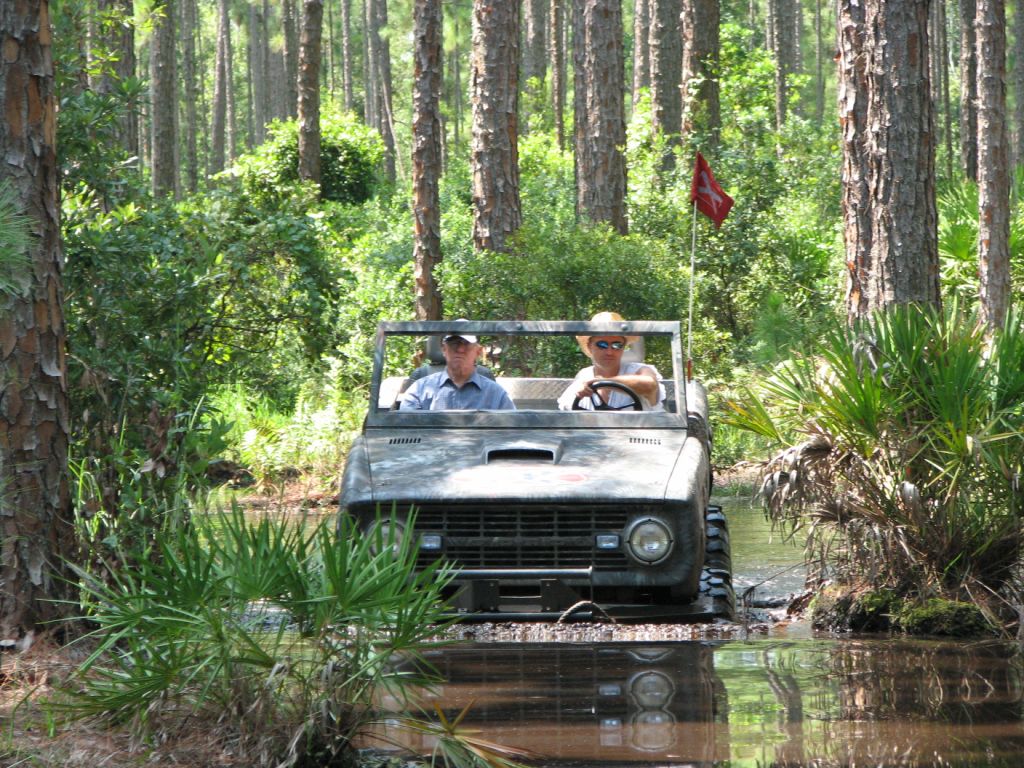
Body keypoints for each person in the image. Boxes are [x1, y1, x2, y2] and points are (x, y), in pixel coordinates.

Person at [557, 311, 665, 411]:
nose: (609, 352)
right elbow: (567, 412)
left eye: (616, 345)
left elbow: (649, 385)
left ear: (623, 348)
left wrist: (602, 382)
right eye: (602, 344)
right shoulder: (583, 375)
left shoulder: (640, 370)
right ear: (589, 346)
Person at [400, 325, 516, 411]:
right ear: (444, 349)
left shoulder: (497, 395)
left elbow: (511, 433)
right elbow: (406, 432)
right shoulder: (419, 391)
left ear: (478, 351)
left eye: (466, 344)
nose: (460, 350)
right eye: (454, 344)